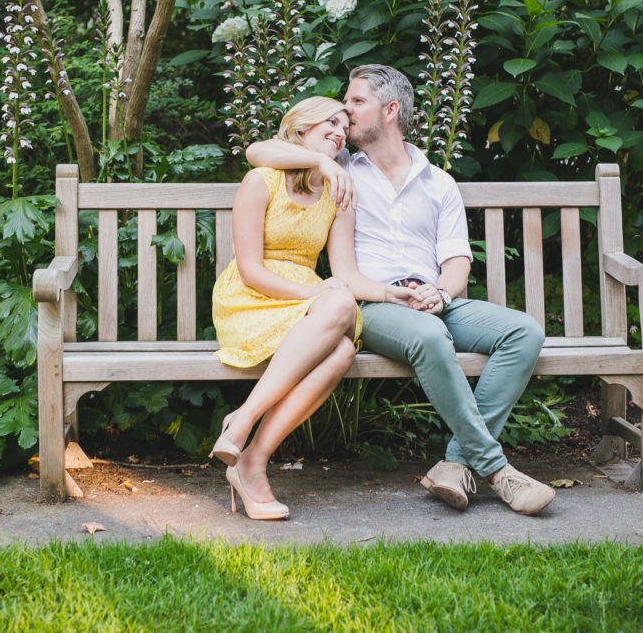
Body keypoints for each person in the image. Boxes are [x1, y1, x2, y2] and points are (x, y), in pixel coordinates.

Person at [247, 64, 556, 515]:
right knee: (430, 337)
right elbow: (259, 150)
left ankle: (455, 465)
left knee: (523, 332)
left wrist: (442, 295)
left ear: (389, 111)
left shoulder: (439, 182)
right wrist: (318, 161)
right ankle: (498, 470)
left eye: (356, 103)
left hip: (433, 300)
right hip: (374, 304)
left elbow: (456, 264)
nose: (345, 112)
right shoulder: (339, 170)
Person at [210, 95, 421, 520]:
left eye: (344, 125)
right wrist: (316, 296)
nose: (340, 130)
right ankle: (244, 426)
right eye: (330, 121)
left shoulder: (338, 190)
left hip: (311, 303)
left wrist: (388, 293)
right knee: (337, 306)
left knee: (344, 348)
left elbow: (346, 271)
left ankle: (251, 453)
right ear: (301, 127)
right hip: (252, 299)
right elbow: (250, 270)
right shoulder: (263, 180)